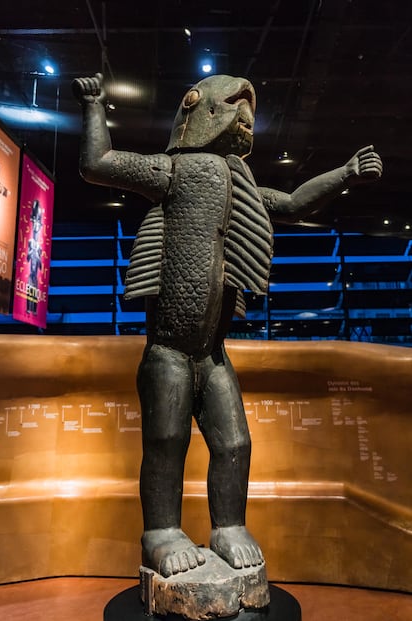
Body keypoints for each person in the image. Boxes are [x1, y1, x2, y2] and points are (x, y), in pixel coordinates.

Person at [72, 73, 382, 579]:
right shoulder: (172, 171)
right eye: (231, 107)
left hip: (212, 354)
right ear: (194, 114)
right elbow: (98, 164)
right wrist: (92, 104)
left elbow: (296, 203)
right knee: (166, 443)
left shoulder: (242, 184)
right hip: (169, 351)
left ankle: (229, 526)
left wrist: (344, 173)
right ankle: (161, 533)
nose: (243, 115)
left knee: (234, 444)